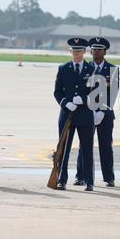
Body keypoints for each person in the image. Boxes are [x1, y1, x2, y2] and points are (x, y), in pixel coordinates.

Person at [74, 37, 119, 187]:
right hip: (86, 112)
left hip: (105, 114)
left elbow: (113, 93)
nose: (97, 51)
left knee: (105, 145)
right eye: (95, 49)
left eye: (100, 49)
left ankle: (109, 177)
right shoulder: (85, 68)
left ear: (105, 52)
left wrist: (102, 111)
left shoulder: (113, 69)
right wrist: (90, 110)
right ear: (90, 51)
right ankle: (80, 176)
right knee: (84, 146)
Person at [53, 38, 96, 191]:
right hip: (67, 114)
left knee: (87, 150)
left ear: (84, 51)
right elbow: (57, 92)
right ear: (70, 51)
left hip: (85, 115)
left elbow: (97, 95)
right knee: (63, 150)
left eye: (79, 50)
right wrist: (66, 103)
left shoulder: (91, 70)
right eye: (74, 50)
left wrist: (83, 100)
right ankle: (61, 180)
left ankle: (89, 181)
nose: (76, 53)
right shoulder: (63, 68)